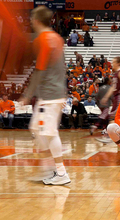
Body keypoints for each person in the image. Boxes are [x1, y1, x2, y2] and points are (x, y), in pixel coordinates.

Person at [19, 6, 70, 185]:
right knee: (37, 129)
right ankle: (52, 167)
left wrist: (27, 94)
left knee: (49, 133)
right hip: (55, 93)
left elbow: (39, 70)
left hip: (49, 95)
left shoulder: (43, 39)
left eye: (32, 18)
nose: (31, 21)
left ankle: (60, 172)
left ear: (37, 20)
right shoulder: (57, 38)